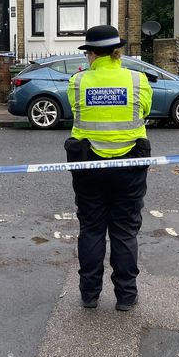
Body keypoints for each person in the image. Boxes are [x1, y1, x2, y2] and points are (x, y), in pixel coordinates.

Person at [65, 25, 153, 311]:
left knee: (91, 228)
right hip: (129, 164)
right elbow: (145, 111)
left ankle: (90, 295)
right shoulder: (138, 80)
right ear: (118, 51)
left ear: (91, 54)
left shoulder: (77, 82)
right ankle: (126, 297)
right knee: (125, 230)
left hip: (88, 163)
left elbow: (75, 110)